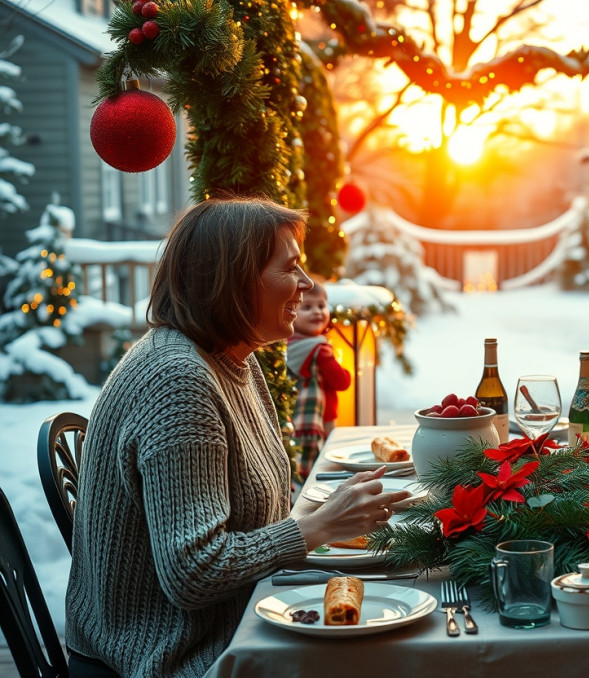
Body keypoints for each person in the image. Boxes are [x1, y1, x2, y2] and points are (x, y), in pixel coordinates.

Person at [65, 198, 411, 677]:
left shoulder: (234, 362)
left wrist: (335, 512)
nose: (308, 285)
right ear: (233, 278)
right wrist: (318, 527)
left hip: (230, 625)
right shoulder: (177, 382)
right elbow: (193, 571)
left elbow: (255, 516)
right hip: (169, 656)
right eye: (291, 269)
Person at [288, 279, 352, 479]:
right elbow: (342, 382)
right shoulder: (320, 350)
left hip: (293, 419)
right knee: (319, 466)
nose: (317, 312)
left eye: (322, 306)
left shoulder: (287, 345)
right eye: (307, 307)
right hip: (317, 420)